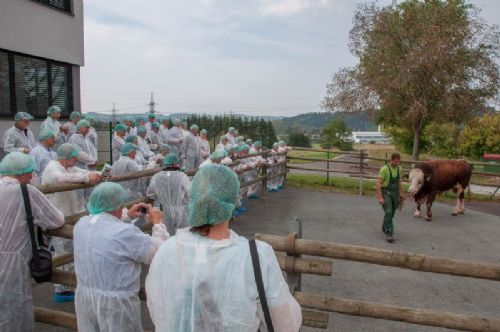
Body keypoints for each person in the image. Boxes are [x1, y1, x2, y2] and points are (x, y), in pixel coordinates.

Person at [146, 164, 302, 331]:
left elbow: (158, 309)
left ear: (193, 197)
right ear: (233, 201)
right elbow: (285, 323)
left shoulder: (167, 250)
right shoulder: (255, 256)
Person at [74, 182, 168, 332]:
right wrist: (158, 223)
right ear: (119, 205)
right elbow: (160, 251)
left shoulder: (82, 224)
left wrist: (127, 215)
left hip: (86, 301)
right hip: (117, 306)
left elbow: (104, 224)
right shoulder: (125, 233)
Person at [0, 152, 65, 332]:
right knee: (15, 309)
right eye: (29, 172)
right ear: (20, 174)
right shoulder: (25, 191)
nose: (31, 176)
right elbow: (56, 220)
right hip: (12, 260)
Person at [42, 143, 102, 302]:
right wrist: (86, 177)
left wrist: (96, 173)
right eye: (73, 157)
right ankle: (62, 289)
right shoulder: (52, 167)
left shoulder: (68, 167)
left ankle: (69, 285)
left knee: (70, 250)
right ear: (65, 158)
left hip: (69, 214)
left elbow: (81, 171)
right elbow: (59, 178)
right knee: (63, 251)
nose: (76, 160)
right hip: (59, 215)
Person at [146, 153, 190, 235]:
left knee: (166, 236)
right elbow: (190, 192)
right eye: (177, 163)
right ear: (174, 164)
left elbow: (150, 194)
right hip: (180, 211)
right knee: (181, 236)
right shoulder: (182, 176)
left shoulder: (156, 177)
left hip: (164, 211)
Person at [376, 152, 403, 243]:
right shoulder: (384, 169)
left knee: (392, 214)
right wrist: (380, 197)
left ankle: (385, 226)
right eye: (395, 162)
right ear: (391, 160)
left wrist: (401, 194)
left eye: (398, 162)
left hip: (395, 193)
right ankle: (389, 233)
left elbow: (399, 182)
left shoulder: (399, 169)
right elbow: (378, 184)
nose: (397, 164)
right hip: (386, 192)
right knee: (388, 211)